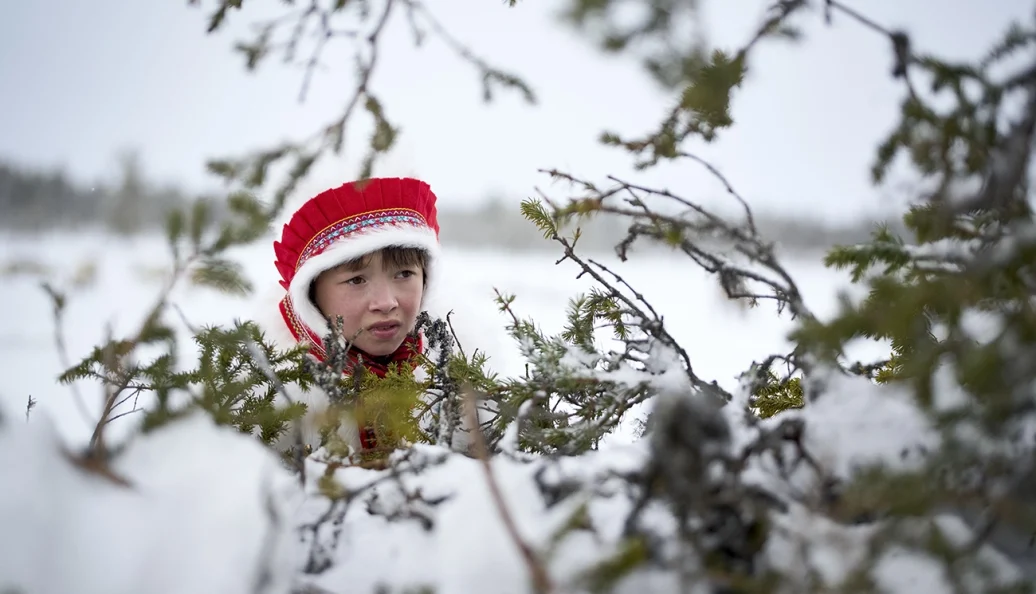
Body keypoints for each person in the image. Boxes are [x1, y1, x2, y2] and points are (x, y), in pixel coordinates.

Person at [252, 176, 446, 455]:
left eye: (404, 274)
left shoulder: (458, 389)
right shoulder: (271, 405)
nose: (386, 303)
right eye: (357, 280)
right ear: (312, 292)